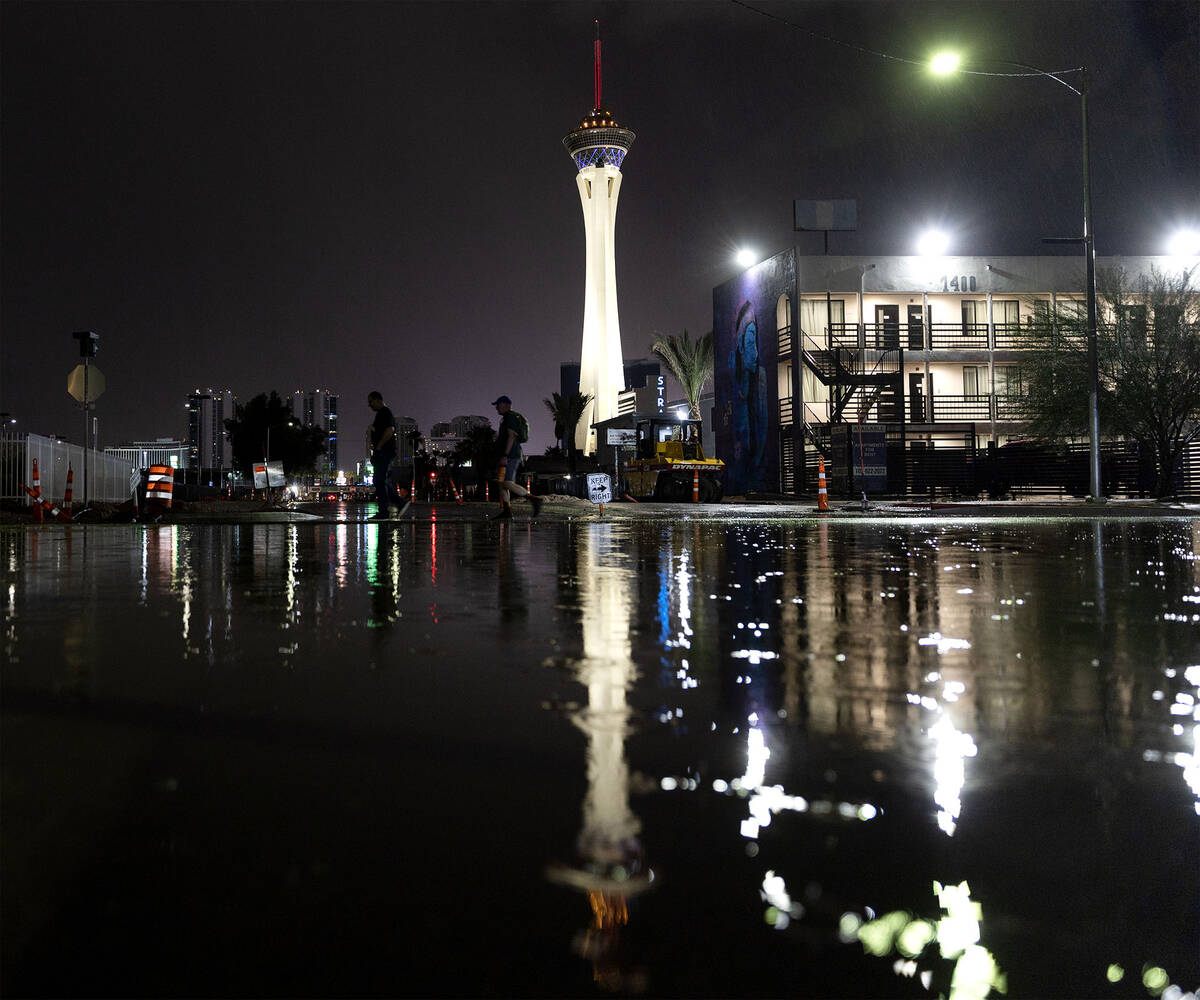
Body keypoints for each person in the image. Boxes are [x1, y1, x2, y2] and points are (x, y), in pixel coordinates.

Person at [491, 394, 542, 520]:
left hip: (511, 455)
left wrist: (505, 455)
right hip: (507, 455)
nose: (496, 408)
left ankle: (534, 499)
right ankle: (507, 511)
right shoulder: (507, 418)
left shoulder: (511, 417)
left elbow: (512, 436)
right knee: (501, 483)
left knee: (507, 483)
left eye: (498, 405)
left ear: (506, 405)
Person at [367, 390, 410, 519]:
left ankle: (386, 510)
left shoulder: (385, 412)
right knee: (381, 480)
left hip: (385, 451)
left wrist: (379, 448)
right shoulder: (381, 414)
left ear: (378, 400)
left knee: (379, 480)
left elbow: (389, 430)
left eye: (371, 402)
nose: (369, 405)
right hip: (382, 451)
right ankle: (398, 503)